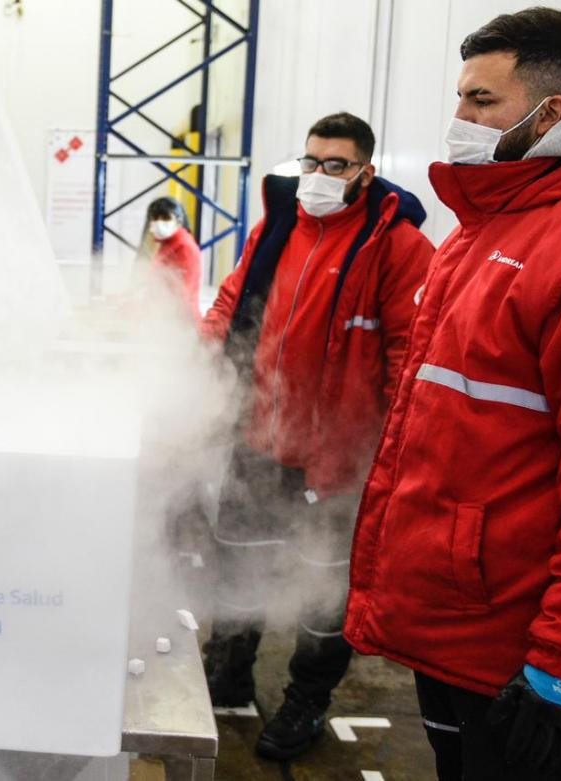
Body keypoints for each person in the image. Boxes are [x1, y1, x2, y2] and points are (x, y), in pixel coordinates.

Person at [344, 9, 561, 781]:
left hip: (515, 653)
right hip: (453, 624)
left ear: (553, 113)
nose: (459, 119)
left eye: (481, 101)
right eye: (461, 98)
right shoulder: (485, 227)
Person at [200, 112, 434, 760]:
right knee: (238, 555)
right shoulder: (277, 227)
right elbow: (230, 305)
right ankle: (229, 671)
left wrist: (389, 457)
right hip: (258, 437)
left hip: (336, 460)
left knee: (325, 590)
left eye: (336, 165)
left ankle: (306, 700)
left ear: (366, 171)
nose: (319, 176)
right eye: (311, 162)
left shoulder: (397, 246)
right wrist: (195, 368)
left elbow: (409, 358)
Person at [144, 196, 202, 320]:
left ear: (179, 221)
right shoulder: (167, 244)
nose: (159, 223)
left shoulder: (185, 247)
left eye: (165, 218)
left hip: (181, 322)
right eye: (155, 218)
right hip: (164, 317)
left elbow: (182, 293)